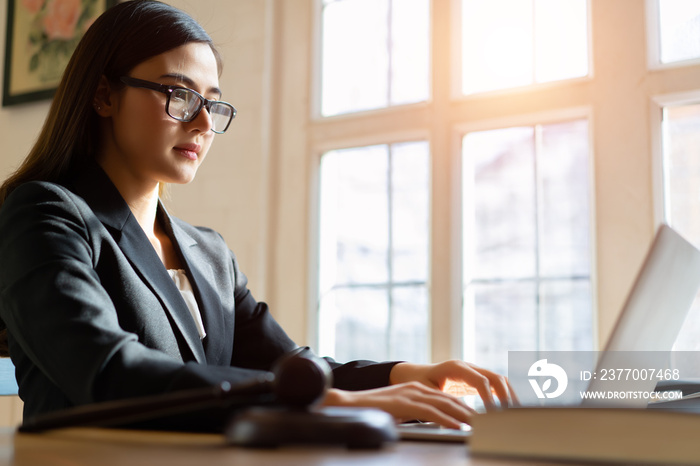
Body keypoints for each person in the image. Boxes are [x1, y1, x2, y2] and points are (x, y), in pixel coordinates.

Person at [0, 0, 513, 432]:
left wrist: (403, 375)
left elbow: (289, 366)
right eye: (179, 96)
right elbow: (109, 372)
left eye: (213, 104)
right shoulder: (45, 214)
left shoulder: (209, 253)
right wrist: (320, 404)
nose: (203, 122)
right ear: (104, 95)